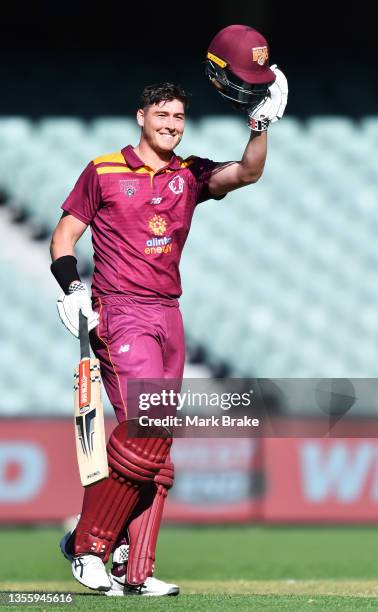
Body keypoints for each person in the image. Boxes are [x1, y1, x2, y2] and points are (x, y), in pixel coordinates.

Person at [49, 25, 288, 598]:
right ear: (141, 118)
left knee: (158, 446)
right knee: (146, 429)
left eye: (178, 119)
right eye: (162, 117)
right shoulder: (103, 170)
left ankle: (136, 572)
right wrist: (71, 289)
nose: (171, 126)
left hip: (169, 315)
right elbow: (64, 236)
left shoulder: (189, 173)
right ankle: (89, 542)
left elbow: (248, 171)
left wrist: (261, 125)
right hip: (121, 310)